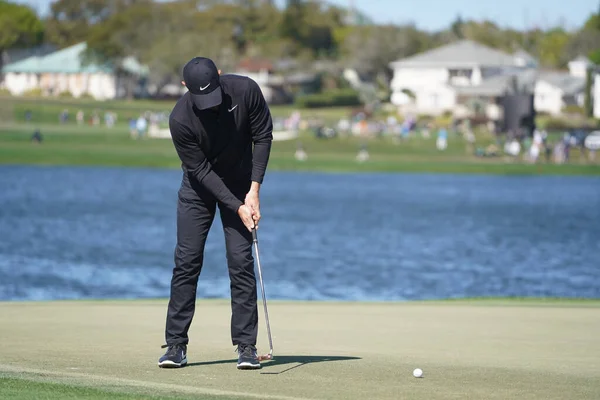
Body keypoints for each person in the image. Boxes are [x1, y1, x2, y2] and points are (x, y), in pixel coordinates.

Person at [158, 57, 273, 370]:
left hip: (240, 183)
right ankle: (176, 345)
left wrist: (253, 190)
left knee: (240, 261)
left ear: (221, 76)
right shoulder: (180, 119)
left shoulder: (246, 91)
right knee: (187, 260)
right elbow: (201, 170)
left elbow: (262, 136)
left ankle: (246, 346)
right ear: (185, 88)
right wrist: (236, 206)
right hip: (199, 189)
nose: (209, 106)